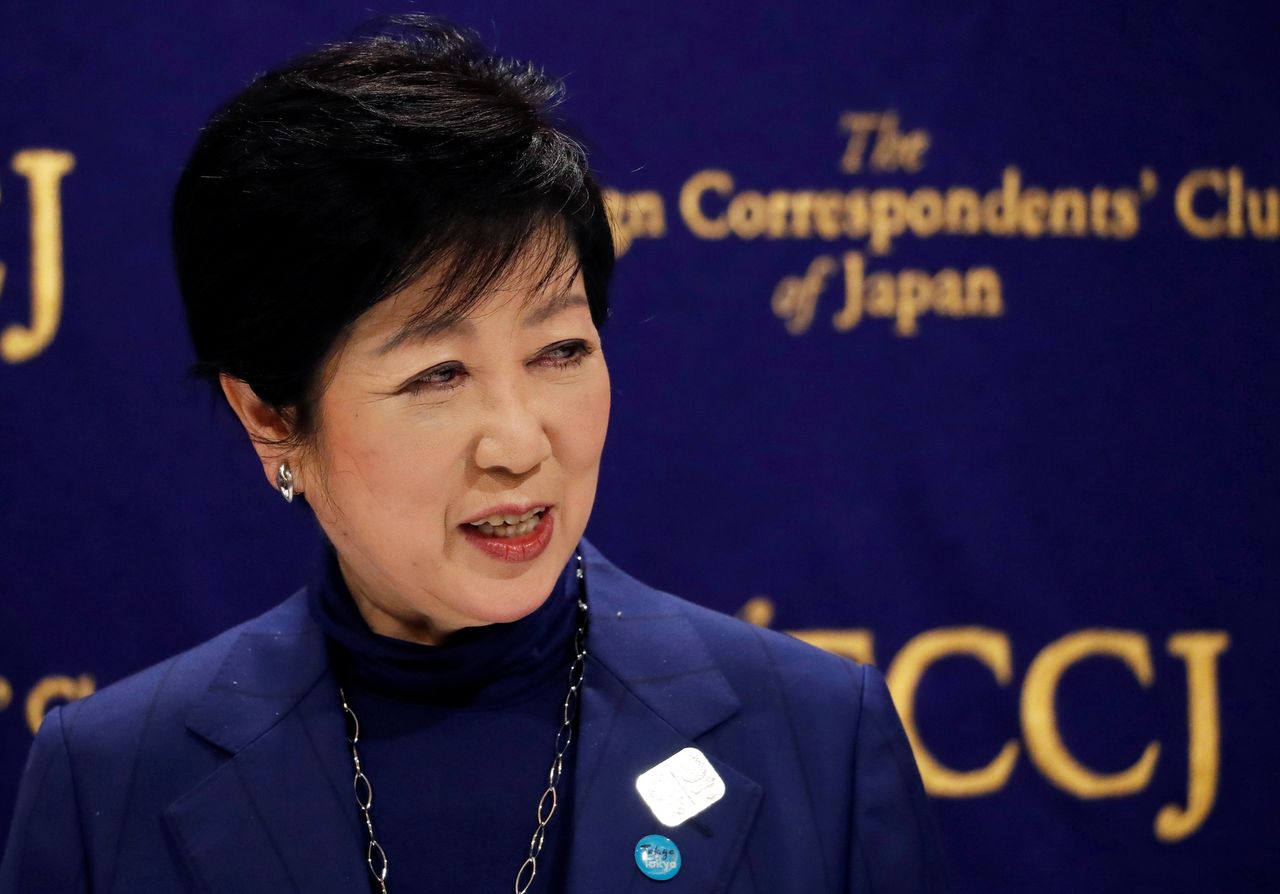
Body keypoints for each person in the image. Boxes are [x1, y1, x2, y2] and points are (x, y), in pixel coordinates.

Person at [0, 15, 946, 893]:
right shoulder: (111, 781)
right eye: (438, 375)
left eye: (561, 352)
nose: (521, 442)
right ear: (269, 415)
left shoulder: (817, 739)